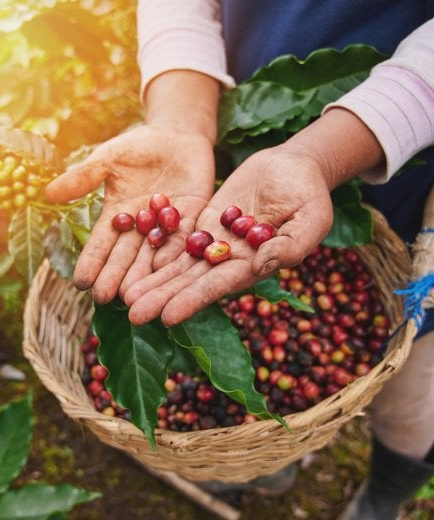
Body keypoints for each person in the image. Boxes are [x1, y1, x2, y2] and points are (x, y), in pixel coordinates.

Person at [46, 2, 434, 518]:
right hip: (252, 146)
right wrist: (180, 119)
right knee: (239, 291)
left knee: (414, 388)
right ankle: (269, 451)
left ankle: (387, 490)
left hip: (410, 160)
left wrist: (320, 155)